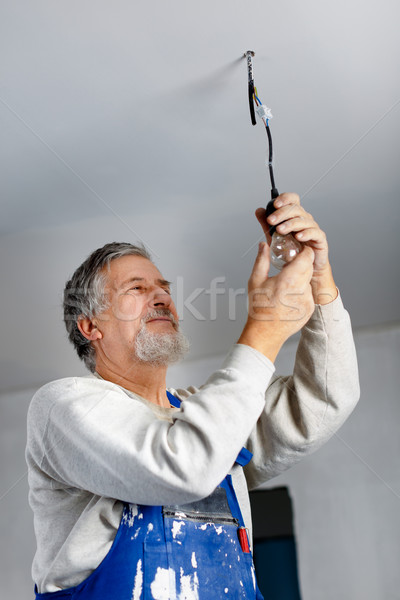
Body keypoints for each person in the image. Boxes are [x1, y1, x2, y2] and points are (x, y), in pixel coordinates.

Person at [26, 194, 360, 600]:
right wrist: (265, 330)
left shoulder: (210, 414)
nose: (162, 296)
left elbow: (325, 399)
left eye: (164, 288)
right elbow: (184, 465)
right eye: (137, 287)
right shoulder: (64, 406)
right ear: (90, 326)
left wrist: (320, 283)